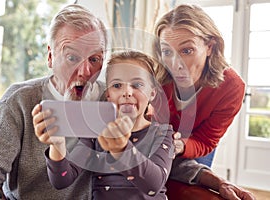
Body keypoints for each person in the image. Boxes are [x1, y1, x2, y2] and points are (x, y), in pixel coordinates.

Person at [0, 4, 107, 199]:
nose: (86, 71)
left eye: (94, 59)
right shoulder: (19, 100)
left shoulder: (113, 99)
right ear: (50, 56)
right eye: (72, 57)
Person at [33, 50, 175, 199]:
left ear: (152, 93)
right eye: (117, 85)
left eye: (137, 84)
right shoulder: (96, 131)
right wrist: (57, 144)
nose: (127, 92)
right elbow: (62, 180)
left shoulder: (163, 133)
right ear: (108, 95)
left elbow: (154, 184)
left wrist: (121, 150)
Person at [152, 4, 246, 165]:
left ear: (210, 47)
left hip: (197, 141)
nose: (175, 64)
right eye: (167, 52)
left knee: (195, 185)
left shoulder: (232, 87)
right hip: (160, 139)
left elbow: (206, 140)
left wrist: (181, 145)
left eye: (187, 51)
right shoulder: (156, 76)